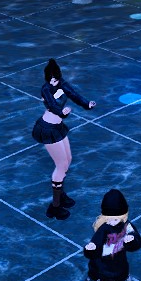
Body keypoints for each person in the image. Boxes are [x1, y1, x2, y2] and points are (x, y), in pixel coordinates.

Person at [33, 58, 95, 219]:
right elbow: (52, 105)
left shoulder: (62, 84)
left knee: (67, 160)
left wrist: (86, 104)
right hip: (48, 128)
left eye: (55, 79)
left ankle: (60, 195)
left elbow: (73, 94)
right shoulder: (45, 89)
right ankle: (55, 206)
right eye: (51, 79)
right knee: (61, 165)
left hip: (58, 127)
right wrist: (62, 113)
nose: (53, 82)